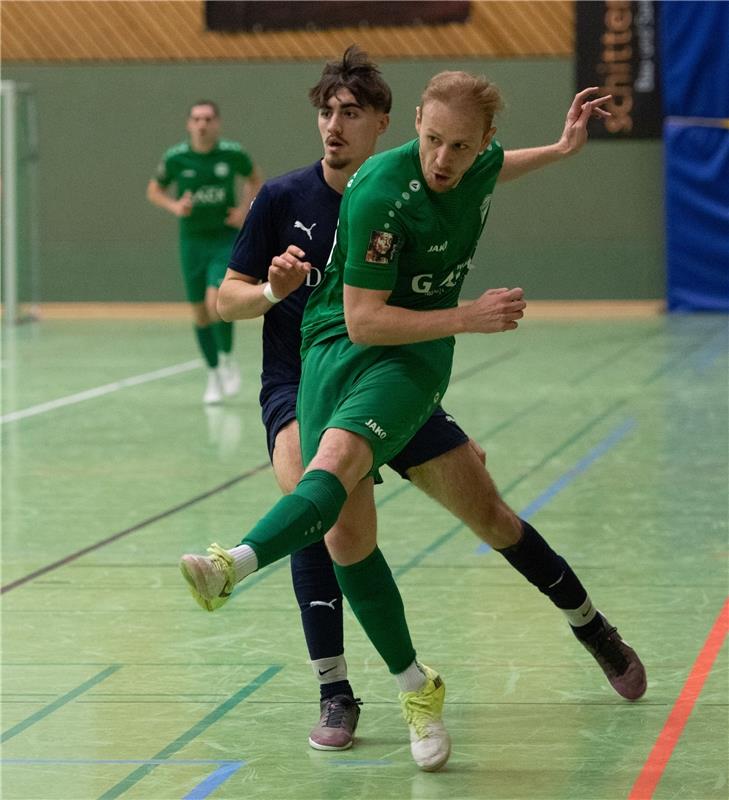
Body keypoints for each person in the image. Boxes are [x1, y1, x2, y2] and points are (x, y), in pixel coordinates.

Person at [180, 57, 646, 772]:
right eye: (325, 113)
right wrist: (276, 291)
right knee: (327, 508)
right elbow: (244, 303)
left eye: (350, 114)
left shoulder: (452, 167)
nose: (335, 126)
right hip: (316, 368)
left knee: (489, 516)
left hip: (404, 362)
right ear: (414, 131)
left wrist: (557, 149)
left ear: (380, 124)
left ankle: (589, 624)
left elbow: (490, 166)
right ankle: (341, 683)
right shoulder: (308, 195)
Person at [147, 100, 263, 404]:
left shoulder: (232, 154)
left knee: (216, 303)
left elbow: (255, 180)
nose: (202, 124)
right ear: (189, 124)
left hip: (223, 239)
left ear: (217, 124)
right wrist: (175, 206)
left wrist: (244, 210)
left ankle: (227, 358)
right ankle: (212, 374)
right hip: (192, 242)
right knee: (199, 313)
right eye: (196, 119)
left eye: (208, 119)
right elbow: (154, 189)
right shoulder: (176, 158)